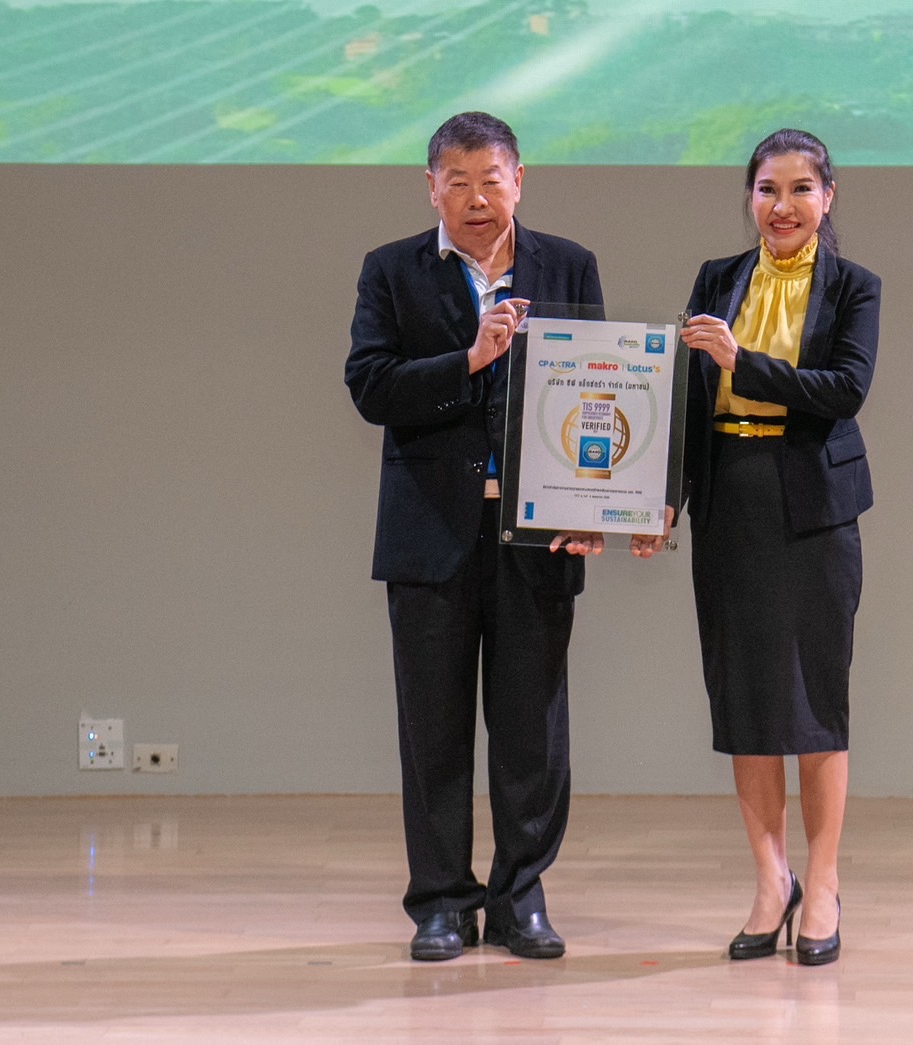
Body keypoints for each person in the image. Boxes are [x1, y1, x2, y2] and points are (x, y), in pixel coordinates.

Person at [344, 112, 605, 962]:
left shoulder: (568, 264)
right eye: (456, 182)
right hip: (429, 532)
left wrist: (597, 505)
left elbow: (599, 392)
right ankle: (441, 904)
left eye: (490, 179)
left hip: (536, 535)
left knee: (532, 729)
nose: (476, 197)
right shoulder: (391, 269)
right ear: (431, 189)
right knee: (433, 728)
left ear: (518, 181)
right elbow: (370, 386)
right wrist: (469, 360)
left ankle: (520, 897)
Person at [673, 128, 880, 967]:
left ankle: (822, 883)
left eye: (799, 189)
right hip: (731, 502)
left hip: (812, 510)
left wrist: (742, 360)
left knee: (816, 703)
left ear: (827, 197)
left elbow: (845, 389)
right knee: (747, 705)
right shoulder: (715, 277)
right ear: (749, 197)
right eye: (766, 189)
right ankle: (771, 881)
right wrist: (660, 503)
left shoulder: (854, 287)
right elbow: (690, 400)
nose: (782, 206)